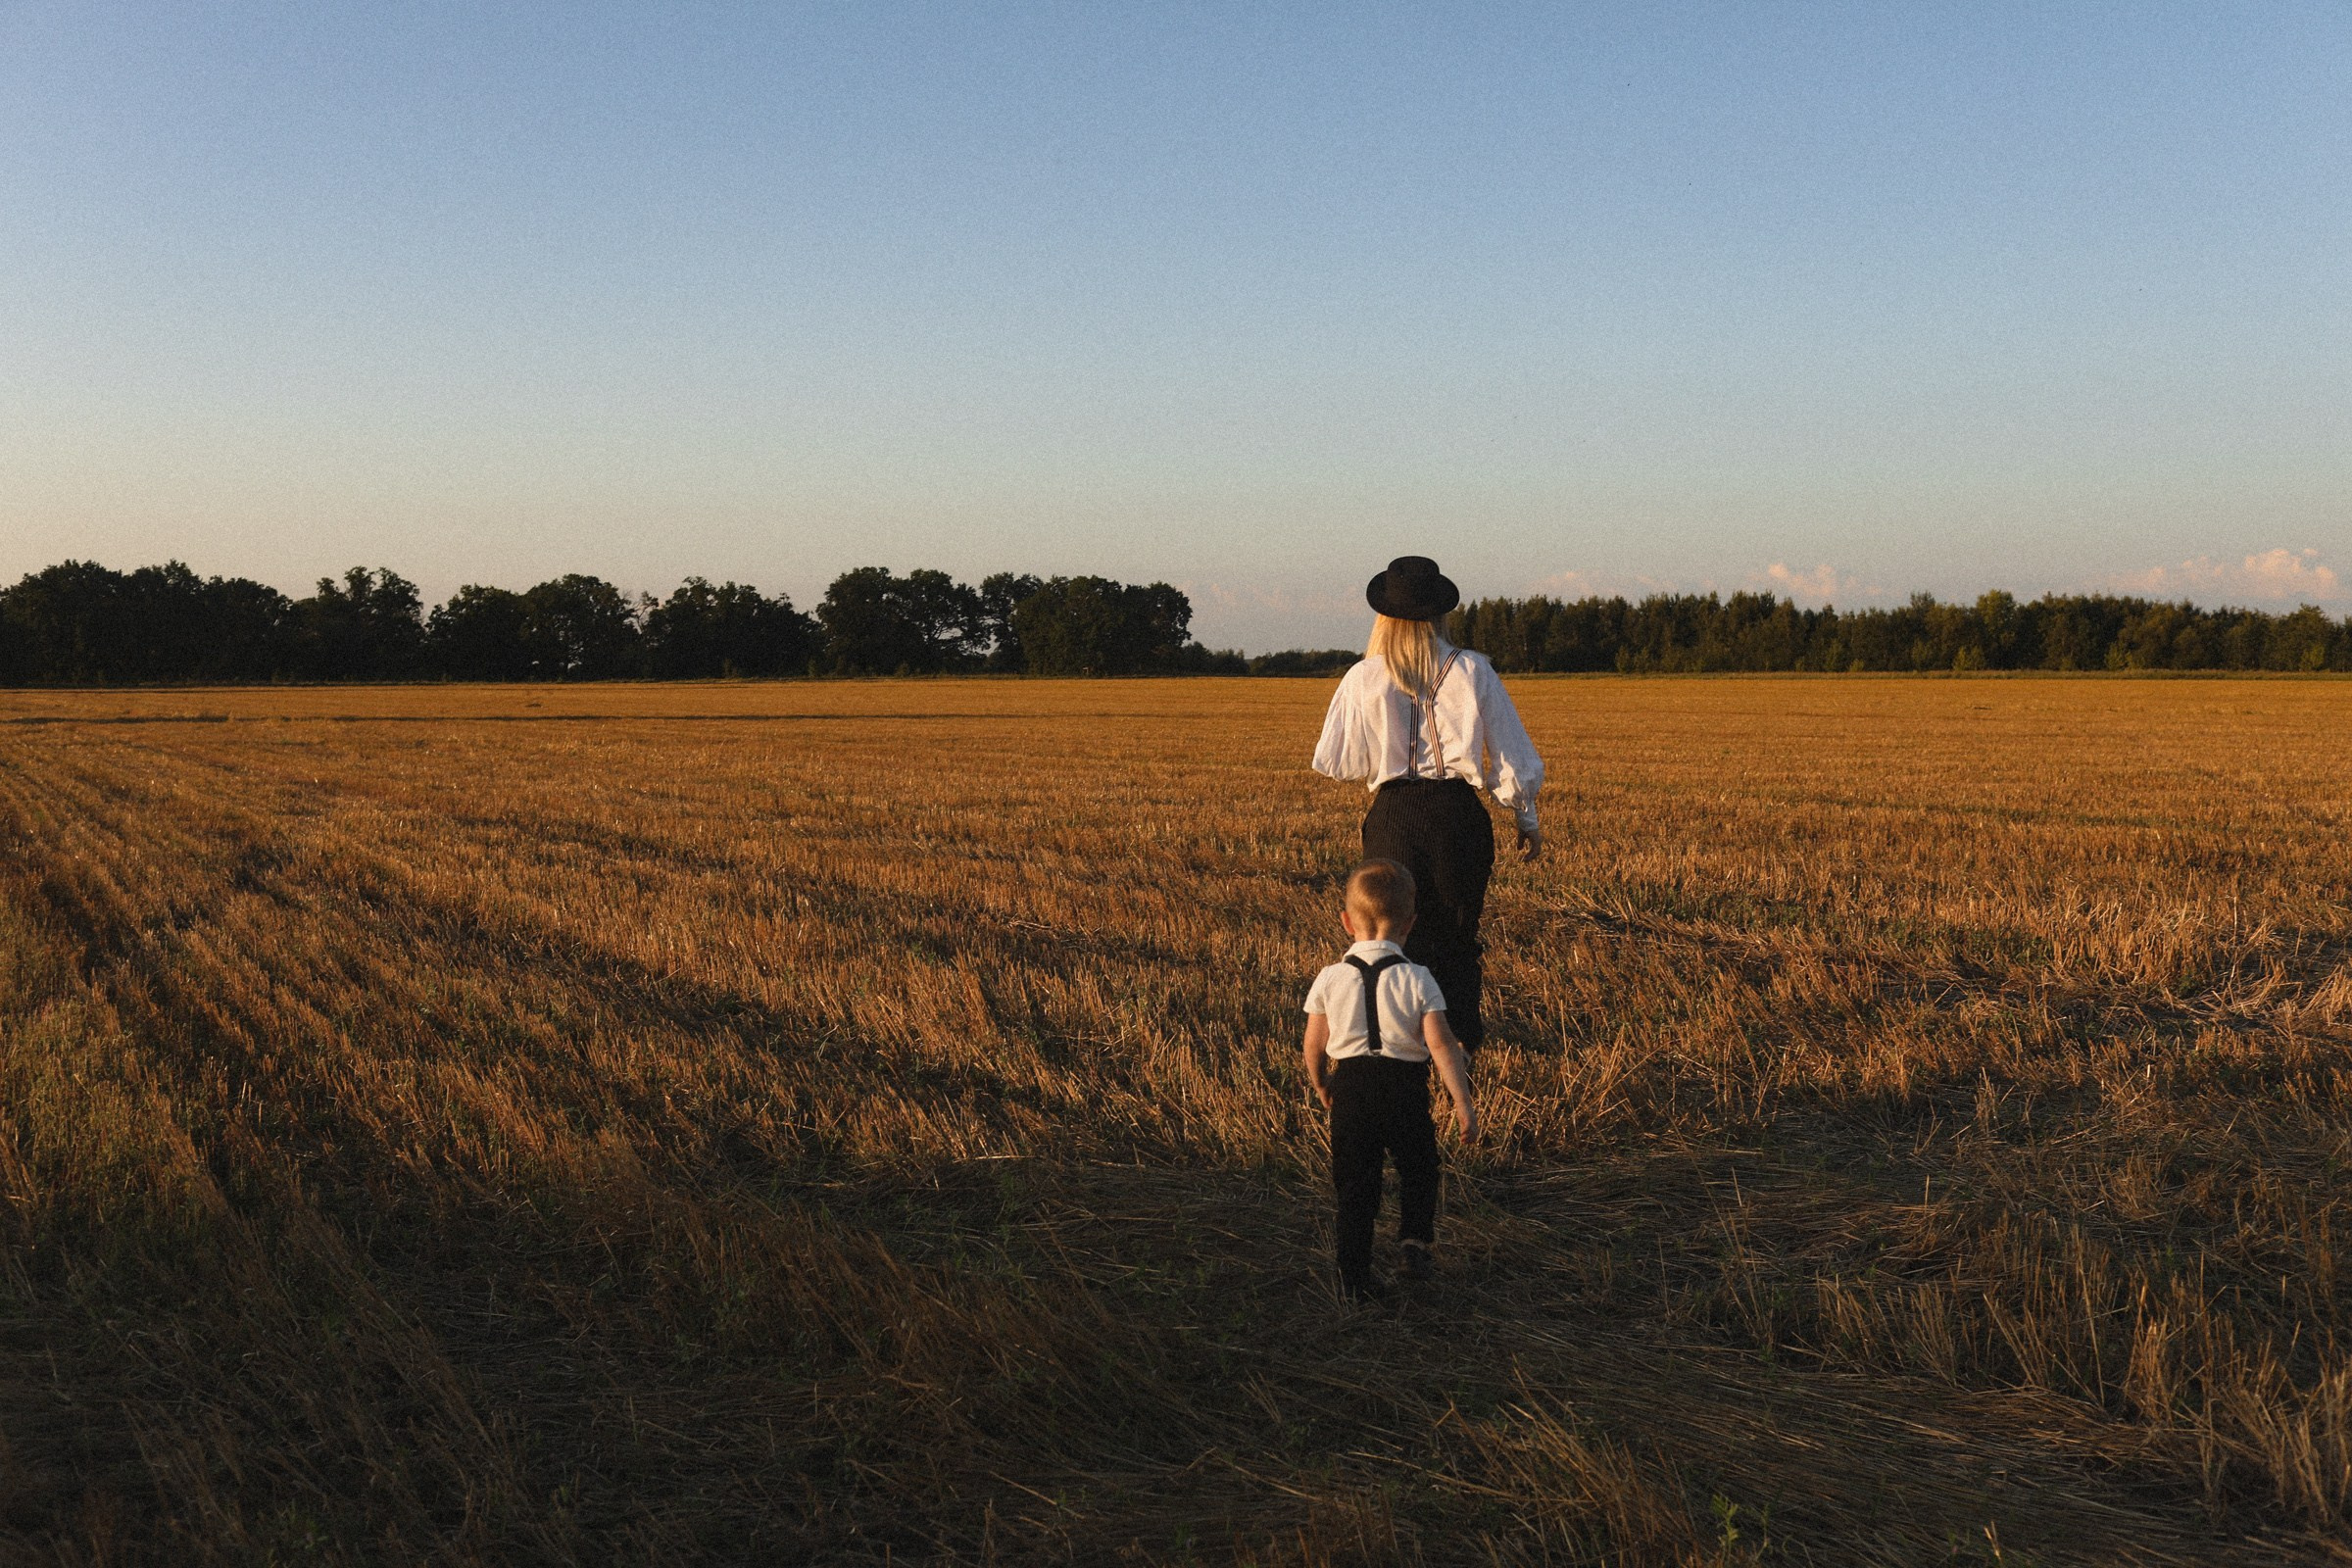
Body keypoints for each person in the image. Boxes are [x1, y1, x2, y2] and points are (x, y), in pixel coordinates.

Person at [1311, 555, 1544, 1054]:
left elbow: (1342, 760)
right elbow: (1510, 753)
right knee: (1459, 938)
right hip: (1458, 817)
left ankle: (1396, 1045)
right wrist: (1525, 817)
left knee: (1389, 943)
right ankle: (1459, 1049)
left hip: (1391, 818)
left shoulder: (1362, 677)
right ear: (1440, 611)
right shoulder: (1474, 669)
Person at [1301, 859, 1477, 1302]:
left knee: (1355, 1186)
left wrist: (1322, 1083)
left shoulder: (1330, 978)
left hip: (1352, 1091)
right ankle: (1414, 1242)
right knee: (1420, 1168)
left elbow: (1313, 1044)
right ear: (1411, 923)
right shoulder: (1418, 978)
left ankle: (1355, 1278)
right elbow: (1442, 1046)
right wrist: (1463, 1103)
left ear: (1345, 921)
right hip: (1405, 1091)